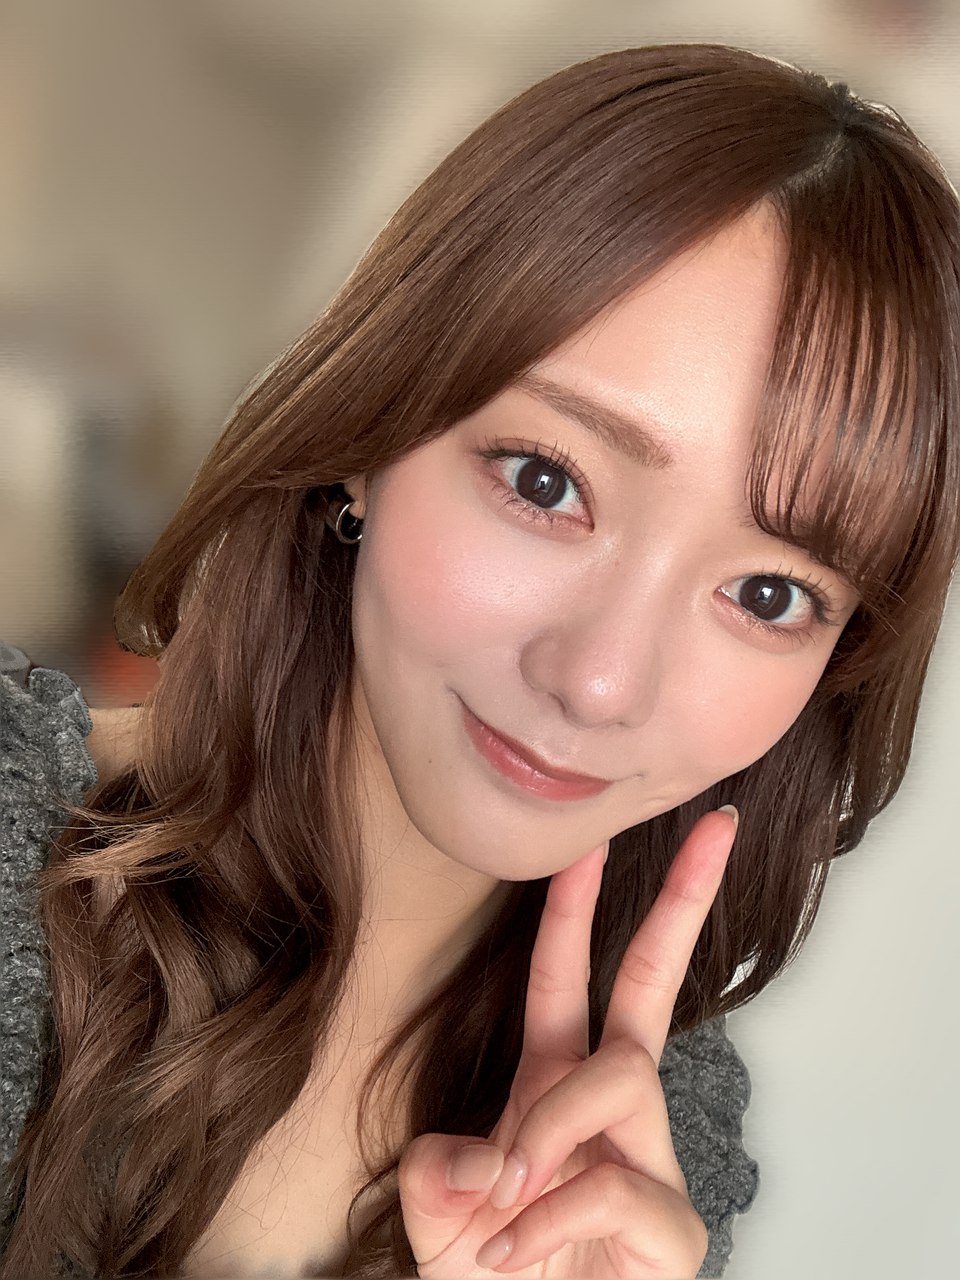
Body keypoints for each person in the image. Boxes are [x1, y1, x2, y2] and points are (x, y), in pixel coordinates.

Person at [2, 39, 959, 1280]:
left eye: (769, 594)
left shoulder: (645, 1158)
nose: (599, 680)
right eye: (546, 481)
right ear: (372, 429)